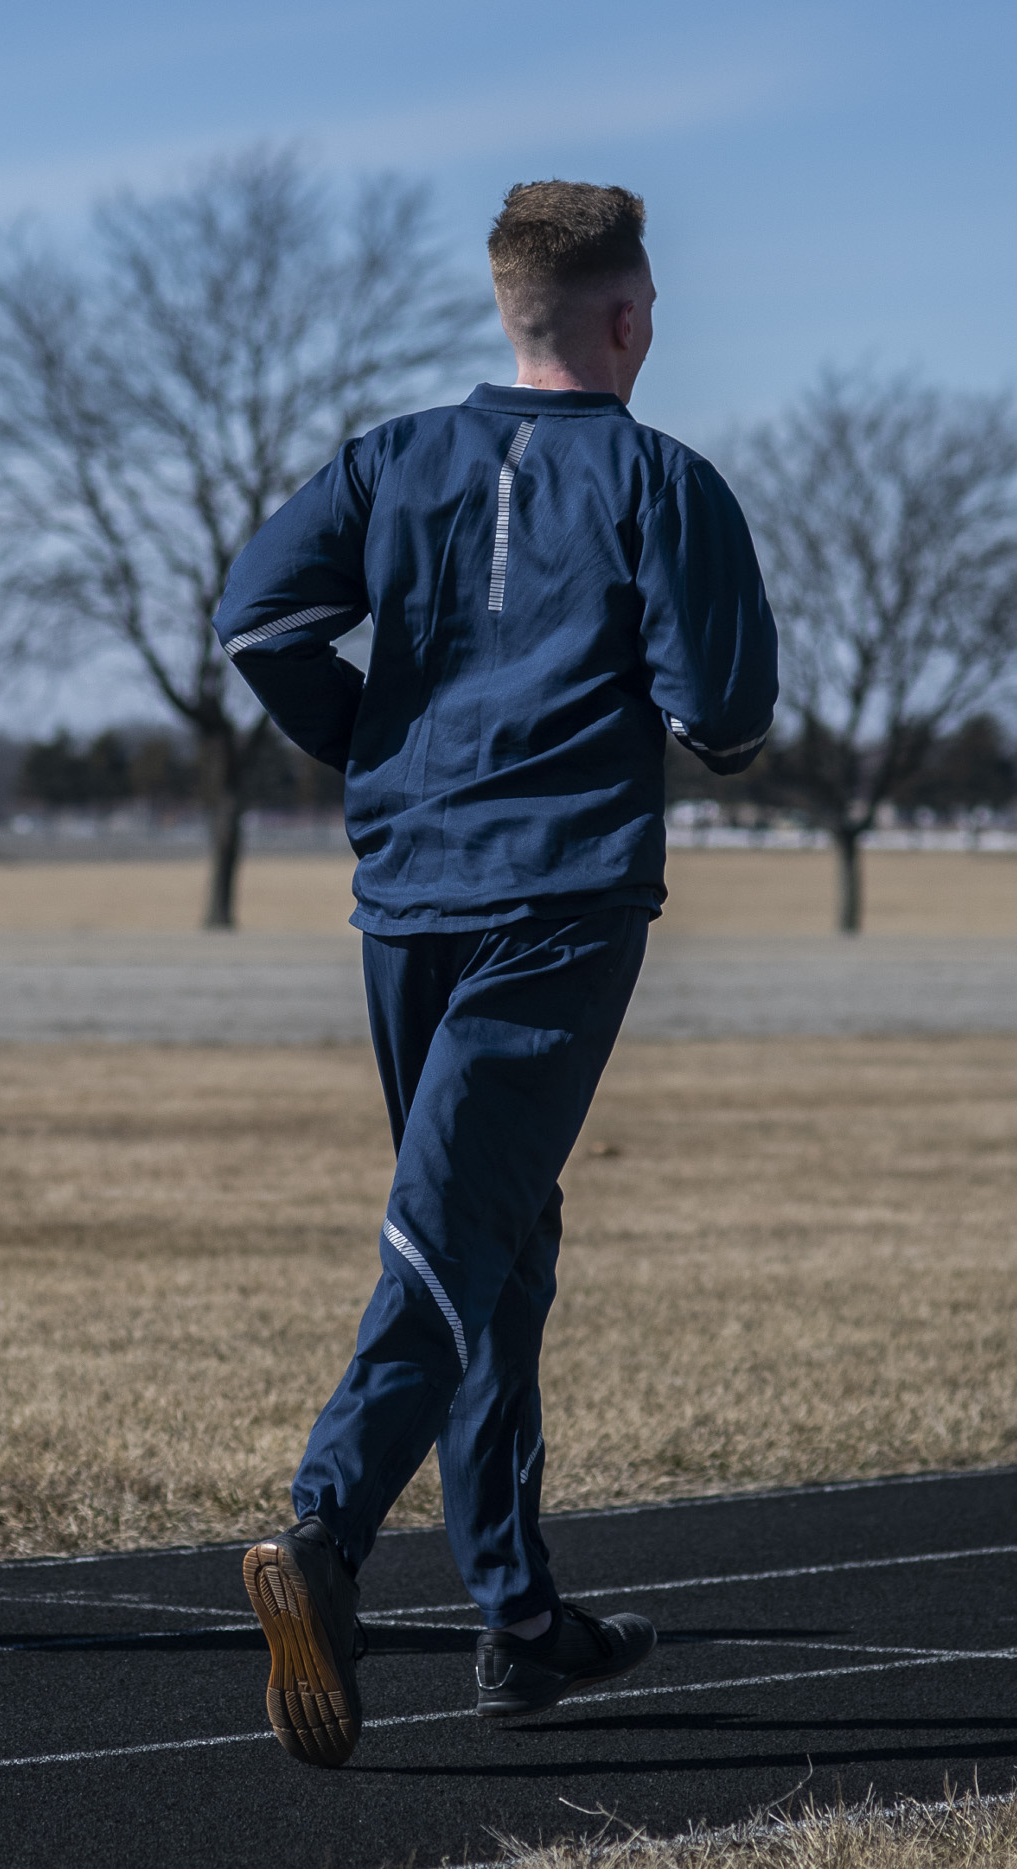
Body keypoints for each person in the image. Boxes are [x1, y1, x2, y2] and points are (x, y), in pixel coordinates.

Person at [213, 183, 777, 1766]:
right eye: (652, 305)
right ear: (624, 316)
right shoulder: (667, 484)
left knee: (501, 1236)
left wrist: (371, 744)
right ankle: (321, 1533)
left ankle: (520, 1620)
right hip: (560, 905)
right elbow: (727, 718)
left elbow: (258, 621)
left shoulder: (387, 458)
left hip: (405, 898)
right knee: (457, 1234)